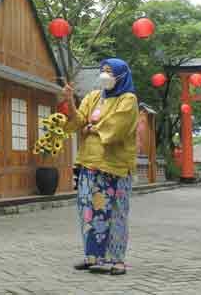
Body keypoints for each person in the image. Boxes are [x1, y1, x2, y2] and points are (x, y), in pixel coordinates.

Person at [61, 58, 139, 276]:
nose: (105, 75)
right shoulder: (93, 97)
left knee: (116, 213)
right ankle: (92, 257)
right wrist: (69, 101)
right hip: (89, 164)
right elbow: (76, 123)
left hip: (115, 167)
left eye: (110, 71)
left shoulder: (128, 99)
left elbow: (118, 127)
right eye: (103, 71)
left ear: (121, 76)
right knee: (89, 211)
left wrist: (92, 128)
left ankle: (117, 260)